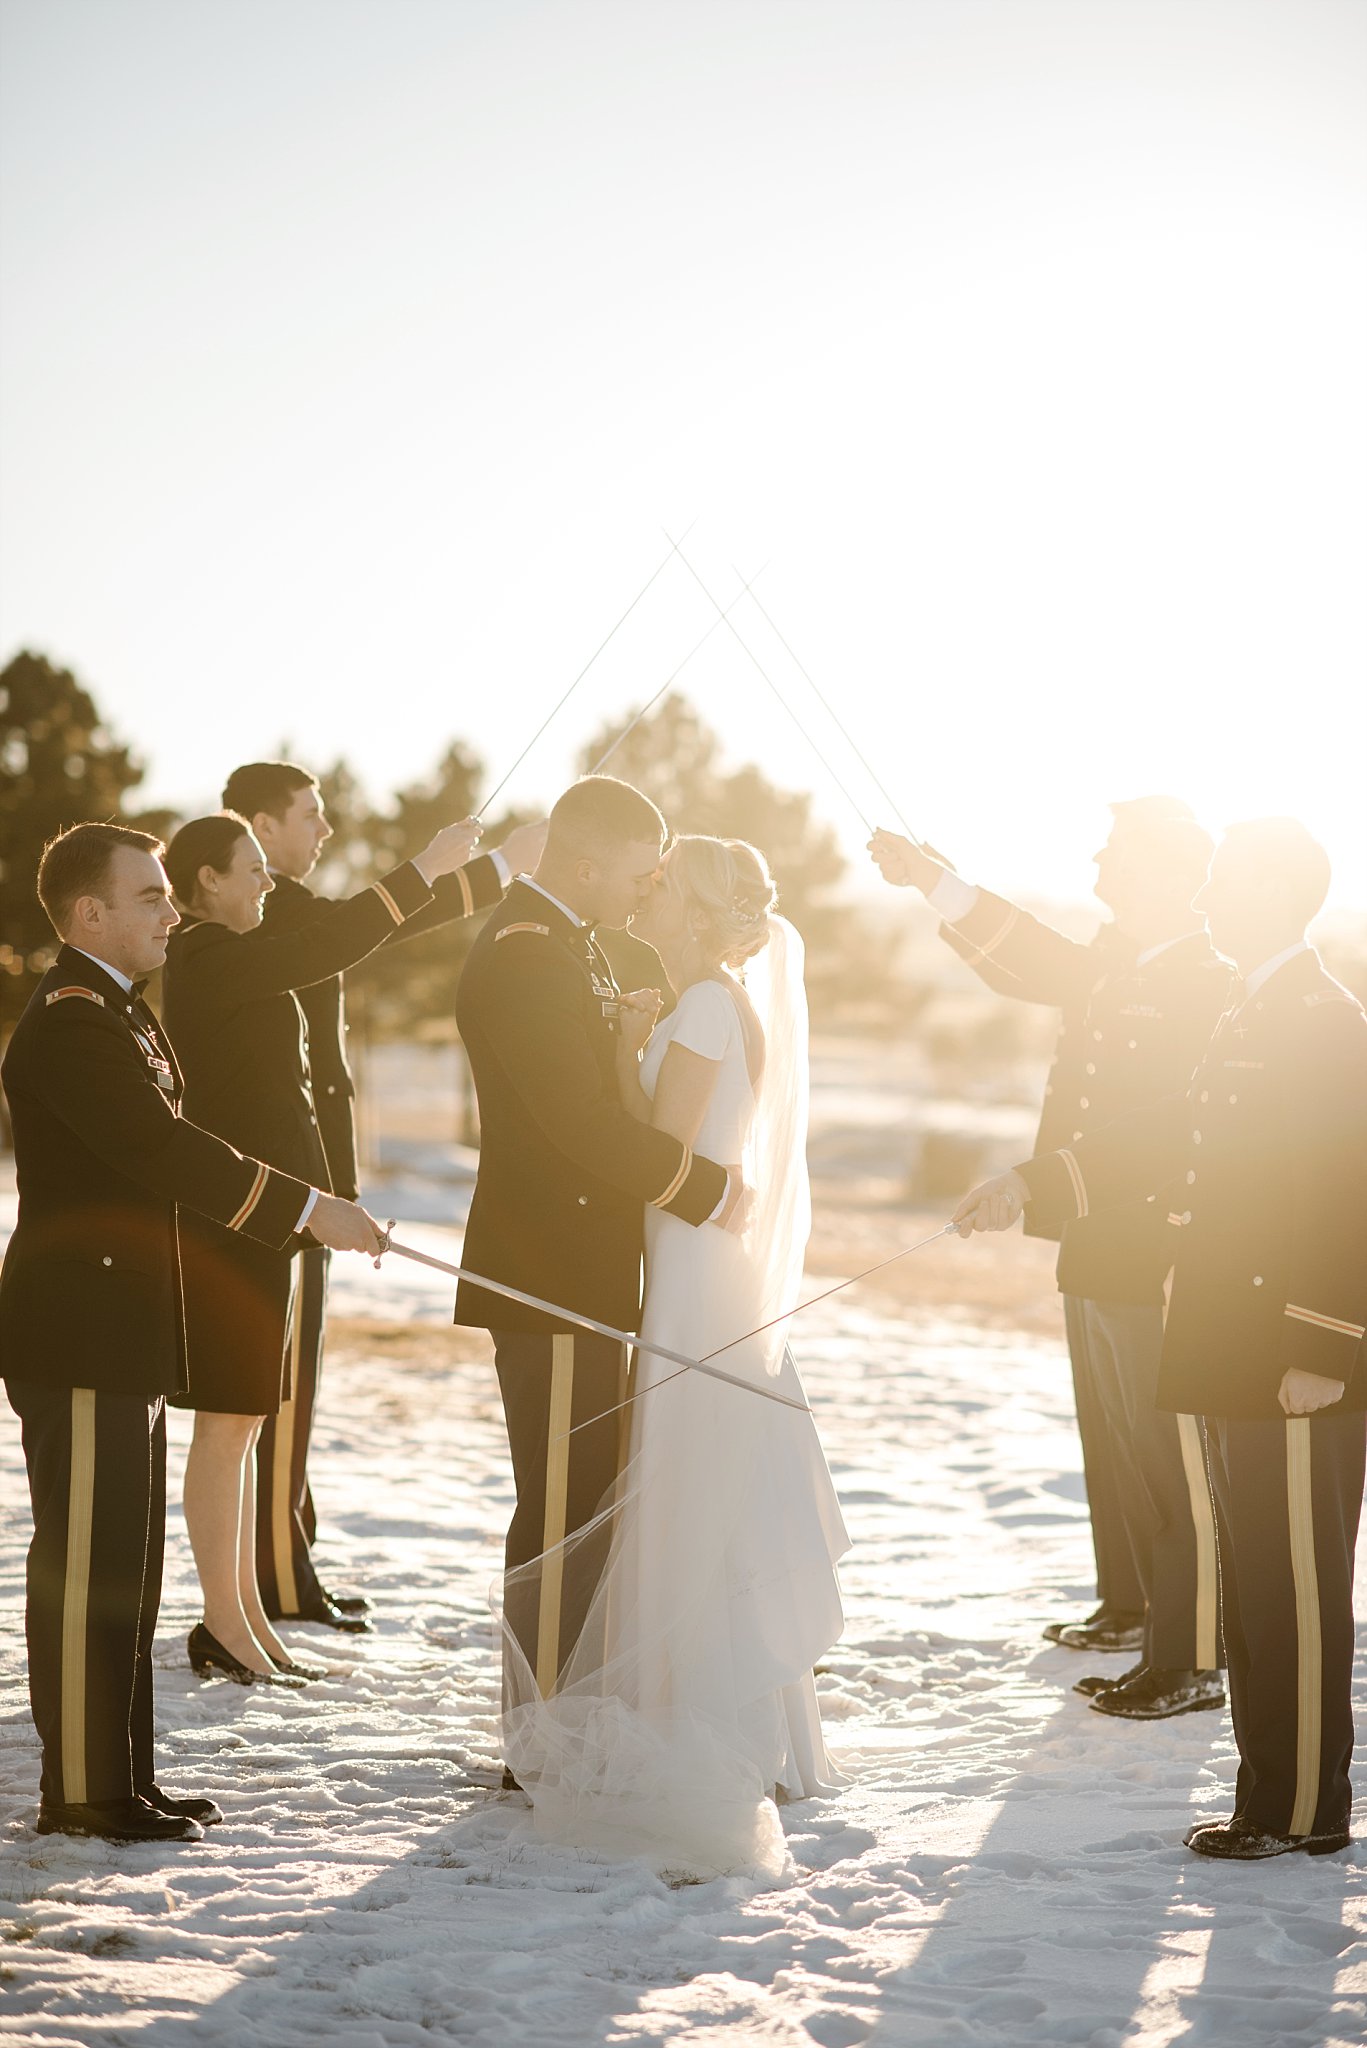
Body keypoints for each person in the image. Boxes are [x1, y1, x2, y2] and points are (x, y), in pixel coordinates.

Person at [955, 818, 1367, 1860]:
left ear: (1269, 897)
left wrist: (1326, 1345)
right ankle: (1268, 1797)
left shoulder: (1320, 1016)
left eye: (1221, 882)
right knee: (1256, 1579)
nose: (1205, 898)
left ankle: (1306, 1807)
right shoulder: (1249, 1006)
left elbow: (1342, 1194)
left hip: (1288, 1349)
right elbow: (1162, 1143)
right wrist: (1034, 1182)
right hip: (1227, 1333)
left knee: (1297, 1584)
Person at [0, 823, 380, 1844]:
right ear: (90, 914)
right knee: (88, 1563)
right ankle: (83, 1789)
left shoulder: (115, 1013)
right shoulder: (77, 1021)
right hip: (81, 1333)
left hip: (123, 1330)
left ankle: (120, 1777)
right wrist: (307, 1207)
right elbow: (167, 1150)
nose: (173, 910)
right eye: (150, 896)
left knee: (125, 1557)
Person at [498, 834, 849, 1881]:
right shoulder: (710, 998)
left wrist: (621, 1045)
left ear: (696, 911)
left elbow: (658, 1156)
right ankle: (754, 1718)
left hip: (693, 1266)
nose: (644, 896)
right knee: (710, 1472)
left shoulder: (702, 1004)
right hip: (699, 1256)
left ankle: (706, 1710)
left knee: (696, 1474)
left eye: (662, 887)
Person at [870, 800, 1234, 1715]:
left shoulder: (1205, 979)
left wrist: (1038, 1180)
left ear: (1163, 875)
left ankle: (1186, 1654)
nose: (1098, 862)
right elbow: (1025, 954)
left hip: (1156, 1242)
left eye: (1117, 853)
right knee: (1110, 1438)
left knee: (1166, 1455)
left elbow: (1163, 1130)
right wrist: (932, 881)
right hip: (1092, 1234)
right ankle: (1132, 1605)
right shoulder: (1115, 959)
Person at [453, 777, 742, 1778]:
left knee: (574, 1494)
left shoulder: (558, 940)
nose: (648, 882)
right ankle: (537, 1737)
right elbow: (575, 1123)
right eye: (639, 865)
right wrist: (696, 1186)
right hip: (551, 1269)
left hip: (570, 1262)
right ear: (584, 863)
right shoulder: (526, 952)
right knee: (562, 1502)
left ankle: (549, 1720)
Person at [219, 759, 547, 1631]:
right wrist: (487, 869)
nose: (324, 829)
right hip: (289, 1183)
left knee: (298, 1385)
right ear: (261, 823)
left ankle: (288, 1562)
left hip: (315, 1175)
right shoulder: (268, 914)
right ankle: (275, 1579)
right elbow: (365, 930)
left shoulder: (276, 908)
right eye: (309, 815)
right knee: (280, 1391)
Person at [160, 808, 484, 1682]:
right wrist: (420, 868)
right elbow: (323, 948)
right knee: (227, 1426)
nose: (269, 882)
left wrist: (320, 1205)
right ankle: (225, 1624)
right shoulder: (205, 954)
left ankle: (242, 1617)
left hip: (277, 1223)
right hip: (235, 1226)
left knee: (244, 1421)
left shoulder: (233, 955)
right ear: (208, 884)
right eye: (253, 868)